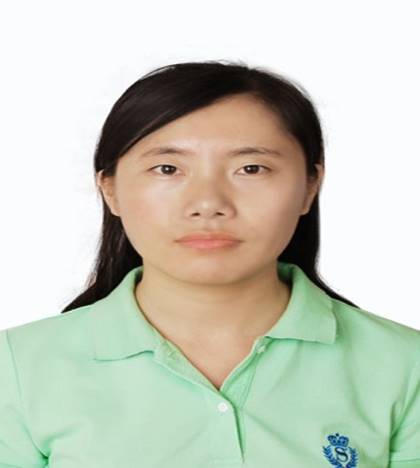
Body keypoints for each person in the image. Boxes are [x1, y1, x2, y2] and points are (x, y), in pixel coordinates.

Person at [0, 60, 419, 467]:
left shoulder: (405, 365)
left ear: (311, 186)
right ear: (109, 189)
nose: (208, 203)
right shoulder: (16, 368)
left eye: (251, 168)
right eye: (168, 169)